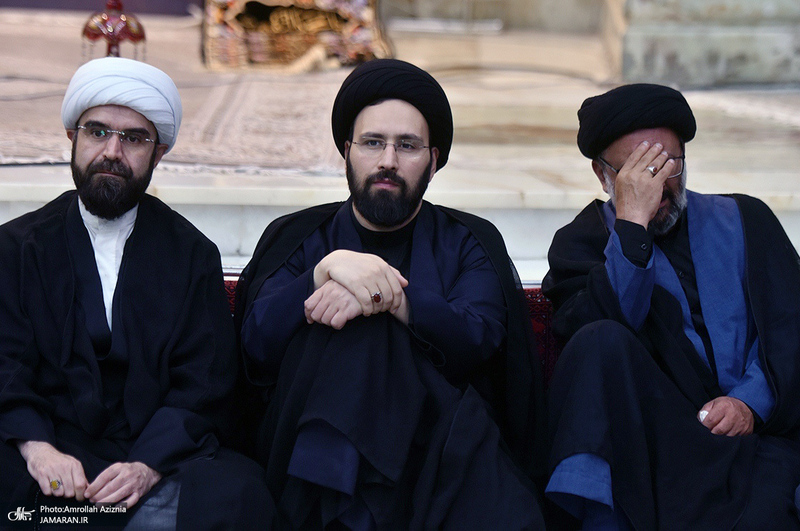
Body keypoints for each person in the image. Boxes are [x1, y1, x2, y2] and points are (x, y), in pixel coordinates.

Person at [237, 58, 545, 529]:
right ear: (346, 152)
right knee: (358, 333)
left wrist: (392, 300)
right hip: (303, 459)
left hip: (436, 456)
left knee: (370, 326)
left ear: (434, 160)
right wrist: (319, 275)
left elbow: (479, 339)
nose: (387, 161)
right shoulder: (297, 236)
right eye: (372, 143)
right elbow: (256, 342)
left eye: (407, 145)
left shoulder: (469, 240)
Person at [0, 57, 272, 529]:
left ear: (158, 153)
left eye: (133, 138)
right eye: (97, 132)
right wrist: (37, 448)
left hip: (154, 448)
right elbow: (6, 366)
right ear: (72, 137)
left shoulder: (192, 255)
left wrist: (147, 466)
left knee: (239, 493)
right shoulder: (18, 247)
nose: (112, 152)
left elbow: (205, 383)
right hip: (51, 445)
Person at [542, 83, 800, 529]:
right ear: (602, 174)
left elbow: (790, 327)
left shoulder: (746, 220)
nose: (657, 184)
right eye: (636, 171)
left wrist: (749, 402)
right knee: (598, 340)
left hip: (756, 439)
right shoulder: (580, 245)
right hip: (653, 447)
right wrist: (631, 228)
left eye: (667, 165)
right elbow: (602, 352)